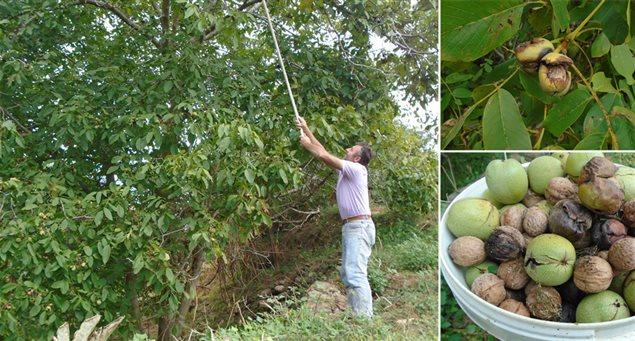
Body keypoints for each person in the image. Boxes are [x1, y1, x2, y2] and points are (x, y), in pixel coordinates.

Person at [295, 116, 375, 317]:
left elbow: (322, 155)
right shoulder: (348, 169)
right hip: (352, 226)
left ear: (357, 158)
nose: (346, 150)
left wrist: (307, 145)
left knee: (355, 274)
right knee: (348, 273)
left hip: (359, 226)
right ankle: (357, 315)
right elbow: (322, 149)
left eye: (350, 150)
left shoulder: (356, 169)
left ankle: (364, 321)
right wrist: (306, 128)